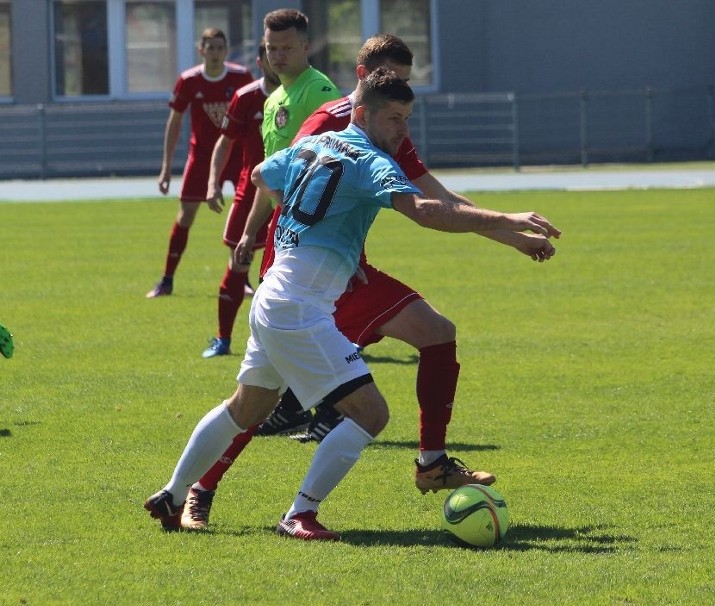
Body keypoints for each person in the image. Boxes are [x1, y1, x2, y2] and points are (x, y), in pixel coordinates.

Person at [144, 67, 561, 541]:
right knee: (371, 414)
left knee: (246, 407)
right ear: (362, 113)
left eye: (406, 119)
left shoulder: (312, 144)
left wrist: (310, 234)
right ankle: (299, 514)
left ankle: (173, 493)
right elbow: (425, 210)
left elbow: (261, 173)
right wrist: (509, 217)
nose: (401, 130)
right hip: (299, 307)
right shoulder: (370, 160)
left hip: (273, 294)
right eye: (393, 119)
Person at [198, 8, 340, 349]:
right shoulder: (275, 99)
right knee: (275, 299)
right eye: (271, 48)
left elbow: (337, 164)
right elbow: (269, 173)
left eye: (286, 48)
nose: (277, 55)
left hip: (311, 221)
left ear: (306, 46)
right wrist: (249, 231)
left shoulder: (319, 91)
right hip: (282, 216)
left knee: (300, 300)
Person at [147, 28, 254, 299]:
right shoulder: (189, 80)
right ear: (201, 50)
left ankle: (242, 279)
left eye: (220, 48)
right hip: (202, 156)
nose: (215, 53)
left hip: (236, 154)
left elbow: (257, 115)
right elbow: (174, 123)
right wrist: (166, 168)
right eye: (211, 48)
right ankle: (167, 280)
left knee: (244, 216)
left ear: (226, 50)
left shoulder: (241, 78)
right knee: (185, 216)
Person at [199, 43, 280, 358]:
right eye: (273, 54)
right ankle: (223, 339)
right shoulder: (246, 97)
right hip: (251, 192)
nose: (280, 59)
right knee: (238, 263)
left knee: (287, 272)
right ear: (261, 61)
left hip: (293, 194)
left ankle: (283, 343)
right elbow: (224, 143)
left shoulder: (304, 94)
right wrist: (213, 182)